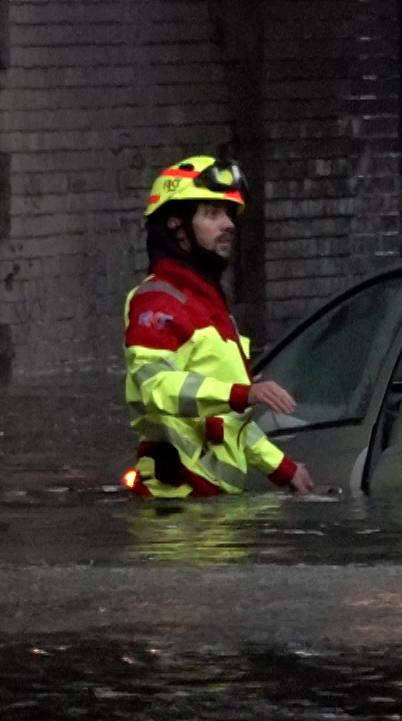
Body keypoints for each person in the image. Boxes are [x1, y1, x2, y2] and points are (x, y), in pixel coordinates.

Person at [121, 155, 314, 498]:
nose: (228, 224)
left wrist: (284, 469)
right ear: (176, 225)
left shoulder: (211, 305)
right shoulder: (157, 301)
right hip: (175, 513)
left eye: (229, 214)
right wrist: (243, 393)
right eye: (212, 214)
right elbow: (155, 387)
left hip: (209, 511)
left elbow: (225, 423)